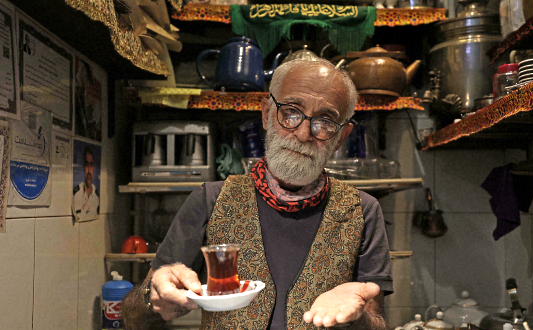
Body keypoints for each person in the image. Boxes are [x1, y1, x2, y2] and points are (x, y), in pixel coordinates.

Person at [121, 58, 393, 330]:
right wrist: (151, 298)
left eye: (325, 121)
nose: (302, 133)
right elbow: (133, 317)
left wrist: (357, 319)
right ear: (266, 114)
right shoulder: (210, 201)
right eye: (290, 112)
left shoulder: (362, 211)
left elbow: (376, 322)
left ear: (341, 137)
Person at [73, 145, 99, 221]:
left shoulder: (97, 197)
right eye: (86, 165)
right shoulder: (76, 193)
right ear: (84, 167)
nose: (88, 170)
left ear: (94, 168)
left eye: (91, 165)